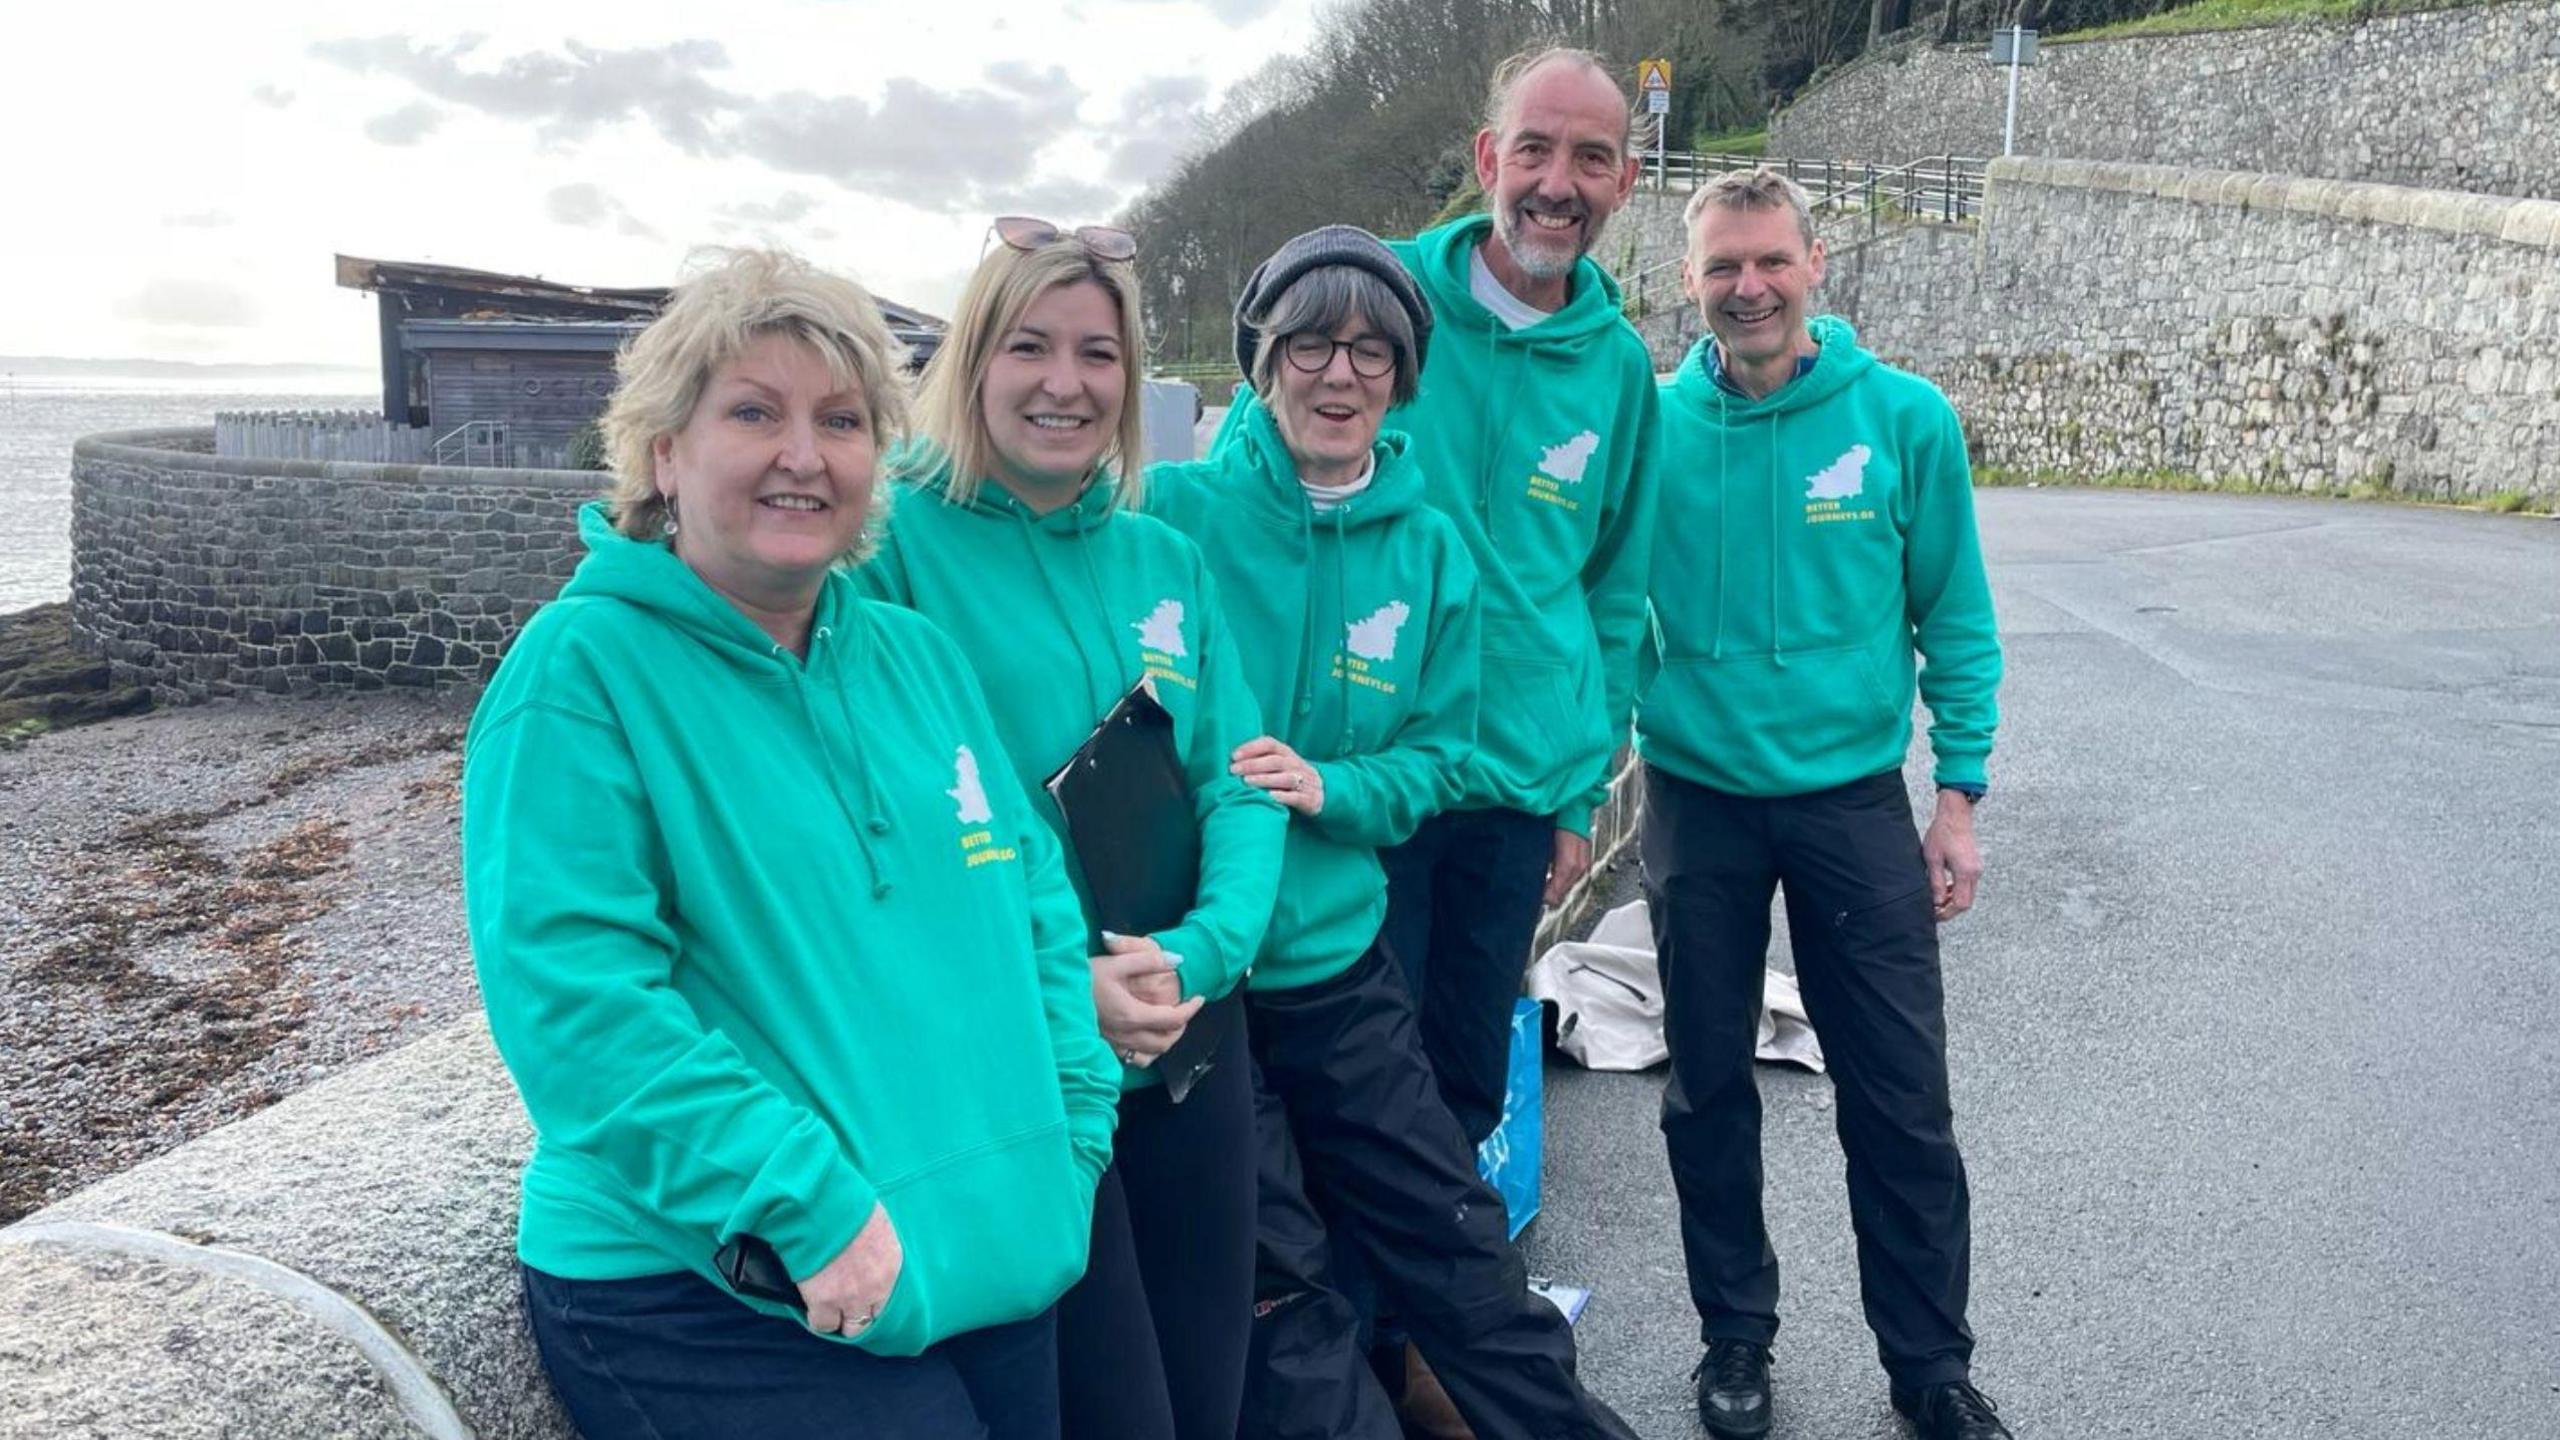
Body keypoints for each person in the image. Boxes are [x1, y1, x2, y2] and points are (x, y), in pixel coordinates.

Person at [462, 248, 1120, 1440]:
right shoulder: (580, 675)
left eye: (842, 419)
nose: (804, 456)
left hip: (980, 1241)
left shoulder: (916, 658)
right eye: (754, 412)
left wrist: (1069, 1133)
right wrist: (802, 1205)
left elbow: (1031, 904)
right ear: (665, 450)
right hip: (710, 1282)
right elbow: (577, 1004)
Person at [1149, 225, 1636, 1440]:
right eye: (1308, 342)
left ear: (1404, 376)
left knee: (1452, 1230)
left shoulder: (1428, 548)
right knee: (1281, 1272)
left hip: (1332, 954)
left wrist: (1334, 787)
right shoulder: (1170, 514)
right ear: (1260, 358)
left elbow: (1443, 755)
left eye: (1372, 349)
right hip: (1203, 976)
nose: (1339, 373)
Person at [854, 216, 1287, 1440]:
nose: (1065, 383)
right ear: (972, 360)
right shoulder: (885, 551)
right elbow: (890, 830)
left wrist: (1200, 957)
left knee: (1208, 1392)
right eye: (1029, 347)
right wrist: (1064, 993)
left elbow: (1240, 780)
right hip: (1026, 1058)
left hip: (1195, 1034)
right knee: (1112, 1413)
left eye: (1098, 355)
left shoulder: (1165, 558)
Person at [1639, 167, 2010, 1440]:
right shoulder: (1652, 431)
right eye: (1722, 267)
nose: (1748, 288)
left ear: (1816, 266)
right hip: (1695, 800)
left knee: (1899, 1096)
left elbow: (1954, 616)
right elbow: (1581, 612)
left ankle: (1928, 1366)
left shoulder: (1905, 420)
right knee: (1704, 1090)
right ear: (1688, 282)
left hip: (1853, 802)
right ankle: (1733, 1339)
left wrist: (1955, 796)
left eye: (1770, 263)